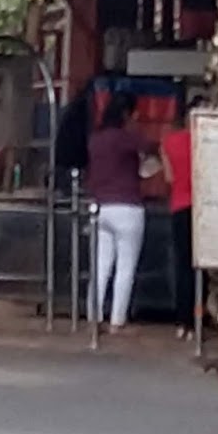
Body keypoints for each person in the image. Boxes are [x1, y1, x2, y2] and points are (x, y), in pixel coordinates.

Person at [85, 90, 150, 331]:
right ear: (126, 113)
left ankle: (93, 316)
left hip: (101, 208)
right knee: (125, 267)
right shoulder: (127, 138)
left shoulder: (95, 139)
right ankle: (117, 321)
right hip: (128, 208)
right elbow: (152, 147)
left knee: (101, 266)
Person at [161, 97, 196, 338]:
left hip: (178, 206)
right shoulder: (206, 142)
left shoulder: (168, 142)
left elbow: (169, 178)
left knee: (182, 265)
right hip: (202, 207)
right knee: (200, 267)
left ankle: (183, 321)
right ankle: (199, 316)